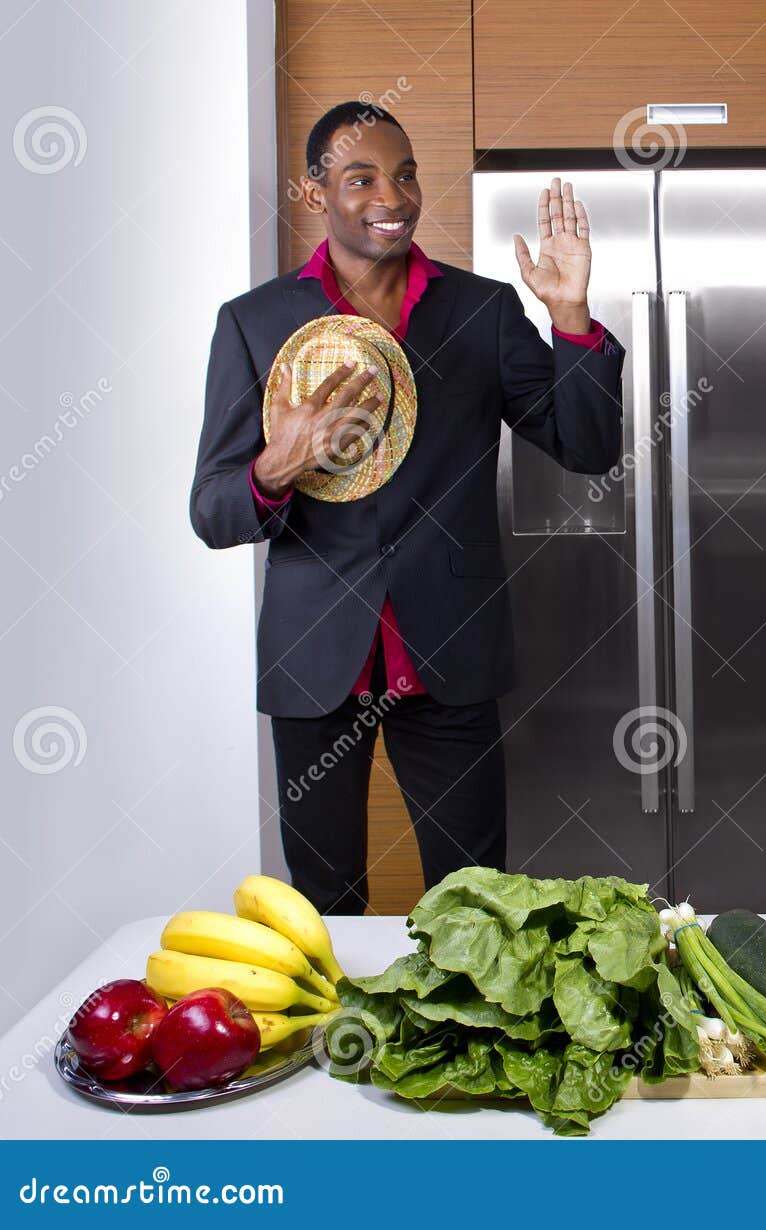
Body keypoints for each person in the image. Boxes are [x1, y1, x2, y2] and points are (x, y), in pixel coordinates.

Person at [190, 101, 625, 913]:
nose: (392, 194)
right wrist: (277, 465)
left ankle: (468, 1040)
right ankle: (336, 1044)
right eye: (361, 178)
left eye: (405, 173)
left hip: (448, 648)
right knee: (323, 901)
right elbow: (213, 510)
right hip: (315, 655)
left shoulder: (482, 311)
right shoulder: (255, 325)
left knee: (476, 903)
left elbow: (588, 448)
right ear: (316, 192)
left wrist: (569, 316)